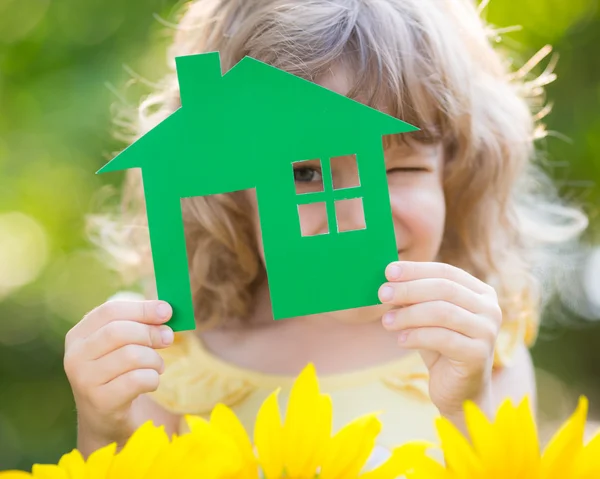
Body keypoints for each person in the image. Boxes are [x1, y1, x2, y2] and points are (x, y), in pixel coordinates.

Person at [64, 0, 588, 458]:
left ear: (456, 175)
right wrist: (104, 423)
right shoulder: (177, 365)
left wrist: (467, 404)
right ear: (228, 187)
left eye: (402, 169)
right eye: (305, 173)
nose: (361, 217)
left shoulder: (480, 349)